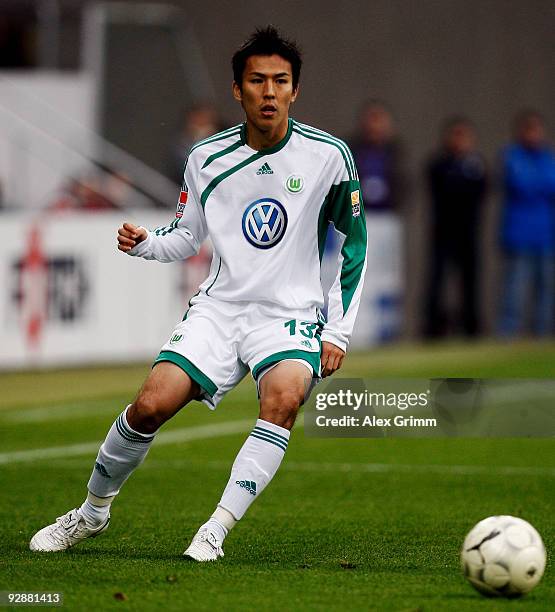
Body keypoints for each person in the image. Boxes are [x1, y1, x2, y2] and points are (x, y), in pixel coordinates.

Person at [29, 27, 367, 561]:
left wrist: (338, 330)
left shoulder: (329, 156)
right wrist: (146, 245)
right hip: (220, 308)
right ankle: (91, 513)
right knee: (147, 406)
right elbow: (188, 235)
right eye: (258, 80)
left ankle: (215, 529)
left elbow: (352, 245)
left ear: (295, 90)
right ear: (238, 89)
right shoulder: (205, 157)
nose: (270, 91)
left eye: (281, 81)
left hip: (289, 314)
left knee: (283, 399)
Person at [423, 116, 488, 337]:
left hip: (468, 232)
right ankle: (433, 327)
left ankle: (471, 327)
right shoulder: (439, 165)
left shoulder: (476, 165)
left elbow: (480, 194)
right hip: (443, 232)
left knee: (470, 281)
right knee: (437, 281)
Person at [348, 100, 405, 343]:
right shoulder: (353, 149)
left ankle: (388, 328)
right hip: (361, 218)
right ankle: (361, 331)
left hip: (387, 220)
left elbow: (403, 184)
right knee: (362, 273)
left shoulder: (394, 151)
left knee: (389, 276)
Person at [498, 109, 555, 337]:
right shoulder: (511, 155)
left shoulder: (547, 158)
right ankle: (508, 333)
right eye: (528, 129)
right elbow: (520, 184)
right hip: (518, 234)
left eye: (536, 129)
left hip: (545, 234)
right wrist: (540, 184)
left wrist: (539, 184)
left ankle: (542, 334)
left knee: (545, 290)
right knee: (514, 289)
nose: (533, 134)